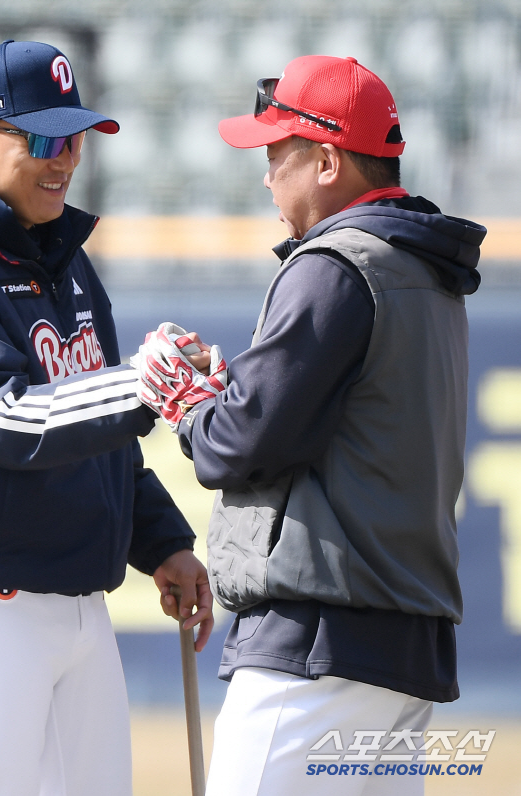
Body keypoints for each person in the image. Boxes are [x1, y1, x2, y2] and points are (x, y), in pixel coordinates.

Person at [0, 40, 212, 796]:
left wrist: (162, 544)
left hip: (79, 600)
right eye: (43, 139)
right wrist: (136, 387)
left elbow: (95, 431)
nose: (65, 159)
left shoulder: (61, 258)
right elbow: (5, 421)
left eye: (76, 138)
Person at [134, 55, 486, 795]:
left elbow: (238, 443)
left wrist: (188, 401)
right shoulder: (424, 269)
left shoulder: (336, 263)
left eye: (275, 152)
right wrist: (229, 394)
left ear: (327, 160)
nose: (265, 175)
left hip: (318, 647)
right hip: (401, 653)